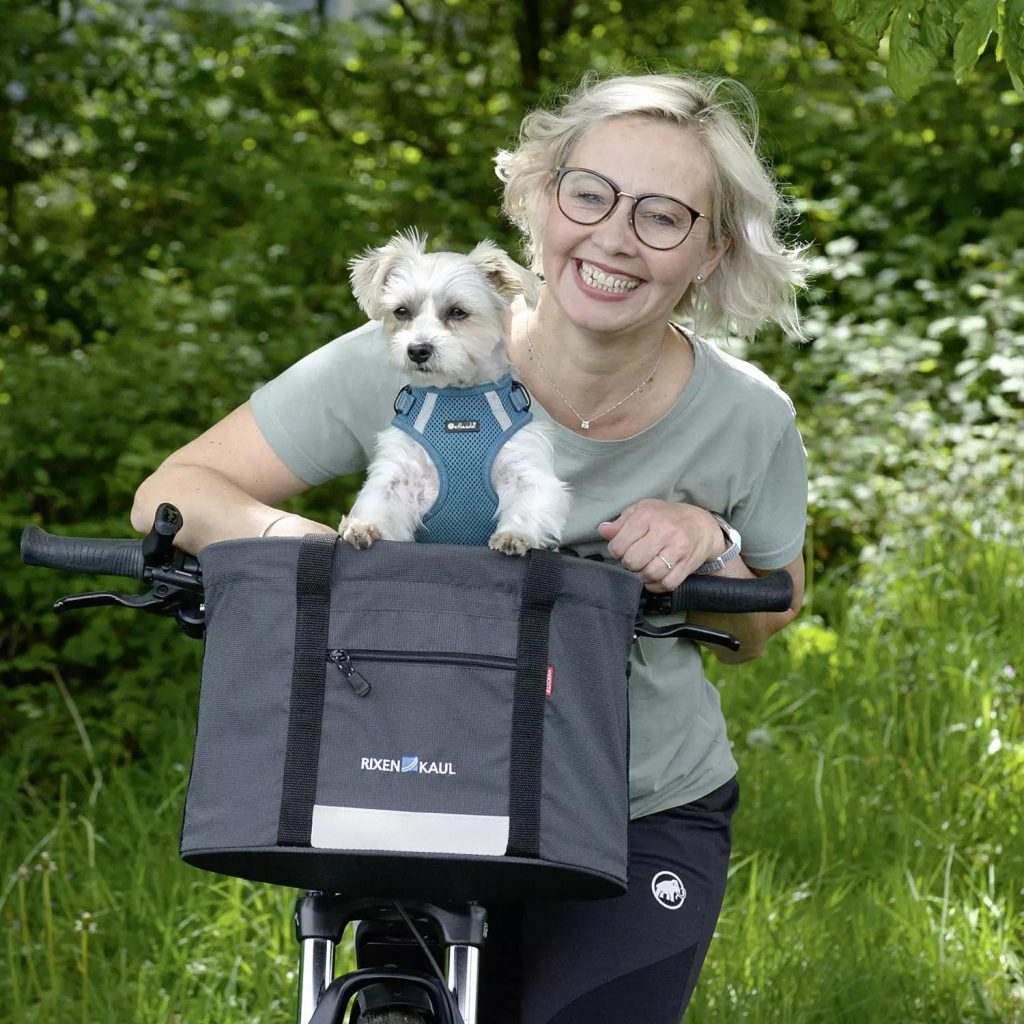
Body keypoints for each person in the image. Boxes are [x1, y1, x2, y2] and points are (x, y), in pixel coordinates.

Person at [132, 71, 810, 1024]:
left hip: (639, 802)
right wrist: (321, 555)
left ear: (711, 250)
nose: (615, 236)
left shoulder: (747, 417)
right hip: (413, 786)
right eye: (590, 194)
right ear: (541, 200)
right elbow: (172, 492)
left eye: (663, 216)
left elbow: (764, 623)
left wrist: (711, 542)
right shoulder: (409, 355)